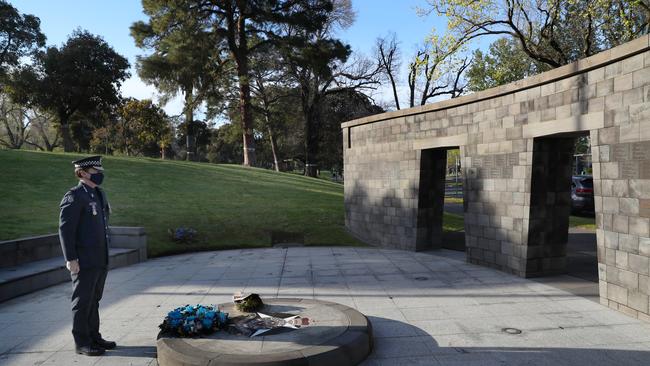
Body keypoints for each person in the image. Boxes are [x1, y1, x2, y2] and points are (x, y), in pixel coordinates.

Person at [58, 156, 116, 356]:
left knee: (94, 299)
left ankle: (94, 336)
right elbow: (66, 230)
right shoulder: (74, 196)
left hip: (100, 258)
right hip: (83, 260)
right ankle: (82, 343)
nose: (100, 174)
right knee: (82, 302)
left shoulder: (98, 193)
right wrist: (70, 258)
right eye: (95, 171)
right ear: (82, 173)